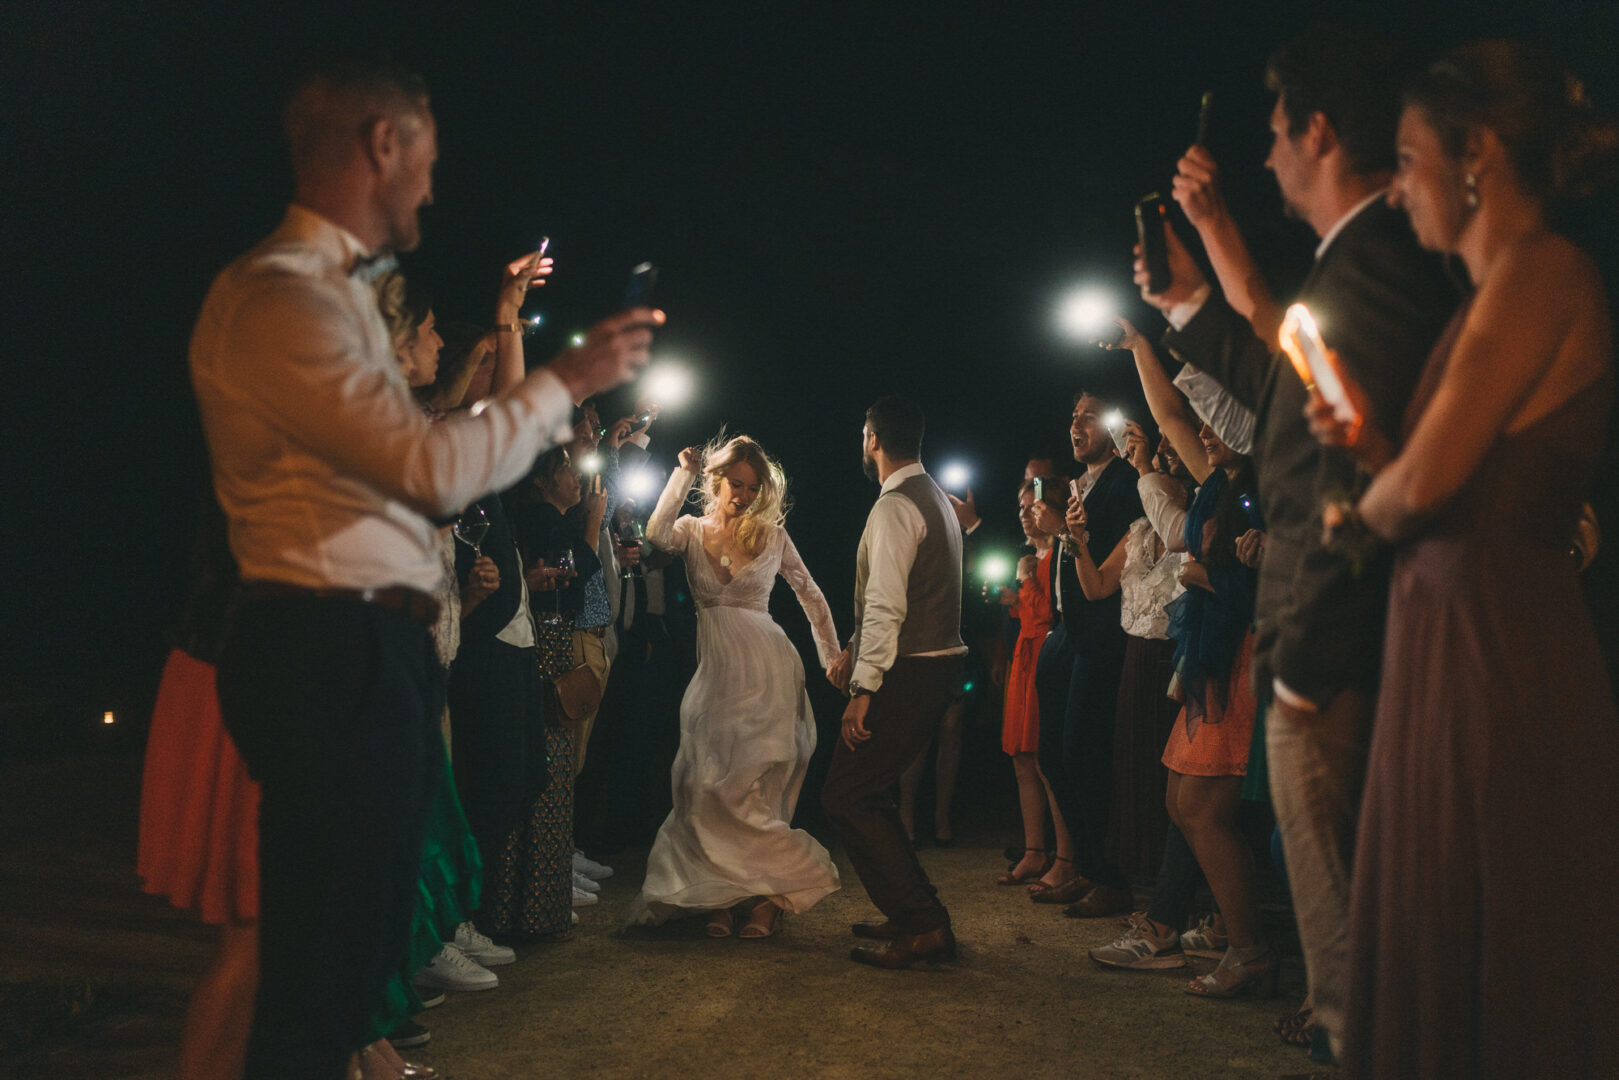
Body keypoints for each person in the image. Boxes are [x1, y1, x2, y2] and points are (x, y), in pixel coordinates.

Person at [189, 56, 659, 1079]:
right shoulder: (279, 299)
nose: (432, 189)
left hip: (374, 641)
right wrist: (570, 378)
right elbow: (427, 469)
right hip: (325, 641)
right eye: (428, 162)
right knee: (319, 975)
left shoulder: (343, 300)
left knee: (351, 958)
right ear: (382, 146)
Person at [1137, 27, 1456, 1058]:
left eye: (1275, 135)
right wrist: (1186, 294)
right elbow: (1291, 387)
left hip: (1331, 652)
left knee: (1360, 965)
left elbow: (1345, 482)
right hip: (1327, 647)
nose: (1266, 156)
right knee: (1352, 950)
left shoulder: (1373, 267)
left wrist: (1300, 673)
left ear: (1316, 131)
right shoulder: (1352, 261)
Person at [1306, 42, 1619, 1077]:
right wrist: (1363, 445)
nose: (1394, 190)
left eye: (1404, 159)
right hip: (1454, 634)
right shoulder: (1501, 287)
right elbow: (1432, 480)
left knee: (1489, 919)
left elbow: (1424, 492)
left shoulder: (1537, 270)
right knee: (1447, 914)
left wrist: (1355, 510)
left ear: (1474, 152)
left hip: (1493, 650)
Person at [629, 435, 842, 938]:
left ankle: (765, 901)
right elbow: (656, 535)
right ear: (717, 481)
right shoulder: (691, 528)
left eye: (752, 488)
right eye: (735, 485)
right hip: (717, 673)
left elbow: (811, 595)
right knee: (704, 784)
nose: (743, 496)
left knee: (755, 786)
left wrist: (831, 658)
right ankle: (718, 894)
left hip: (770, 669)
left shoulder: (772, 534)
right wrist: (680, 474)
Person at [822, 396, 967, 968]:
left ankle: (924, 922)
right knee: (869, 791)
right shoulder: (934, 497)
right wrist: (855, 650)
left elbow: (886, 604)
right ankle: (910, 910)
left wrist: (863, 689)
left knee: (847, 793)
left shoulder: (894, 506)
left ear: (873, 439)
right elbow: (905, 594)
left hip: (912, 667)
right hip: (932, 663)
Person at [1028, 393, 1145, 918]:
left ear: (1116, 427)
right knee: (1050, 754)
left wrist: (1070, 537)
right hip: (1063, 631)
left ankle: (1110, 875)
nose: (1075, 424)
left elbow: (1105, 575)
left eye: (1089, 416)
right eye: (1072, 415)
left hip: (1099, 633)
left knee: (1082, 754)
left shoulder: (1126, 484)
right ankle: (1085, 866)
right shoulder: (1078, 484)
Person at [993, 481, 1061, 886]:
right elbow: (1028, 615)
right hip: (1023, 658)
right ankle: (1034, 850)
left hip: (1044, 657)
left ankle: (1063, 854)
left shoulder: (1055, 556)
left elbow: (1053, 612)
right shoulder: (1030, 557)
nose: (1025, 513)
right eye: (1021, 507)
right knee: (1021, 758)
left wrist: (1029, 581)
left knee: (1044, 759)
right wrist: (1013, 600)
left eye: (1032, 506)